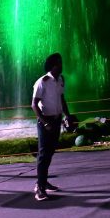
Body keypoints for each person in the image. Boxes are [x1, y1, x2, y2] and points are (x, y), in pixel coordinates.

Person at [31, 53, 74, 201]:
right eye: (59, 63)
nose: (61, 66)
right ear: (53, 66)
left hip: (56, 120)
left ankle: (43, 181)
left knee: (50, 152)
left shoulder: (60, 80)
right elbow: (34, 105)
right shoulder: (42, 82)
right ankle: (39, 189)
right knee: (43, 154)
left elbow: (62, 98)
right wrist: (45, 122)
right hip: (45, 122)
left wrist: (67, 116)